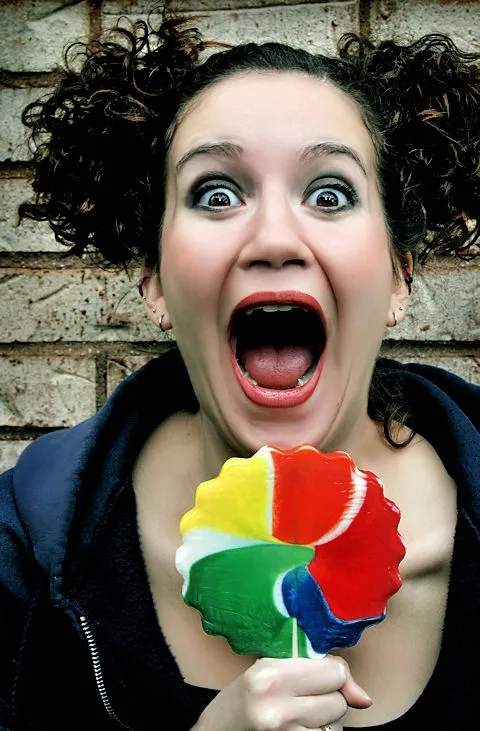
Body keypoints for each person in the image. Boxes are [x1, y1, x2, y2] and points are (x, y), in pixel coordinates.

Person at [0, 11, 479, 731]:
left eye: (329, 194)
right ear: (154, 278)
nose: (275, 238)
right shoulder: (19, 551)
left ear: (399, 276)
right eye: (216, 194)